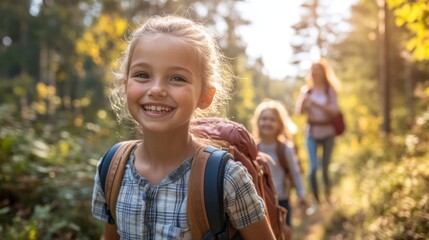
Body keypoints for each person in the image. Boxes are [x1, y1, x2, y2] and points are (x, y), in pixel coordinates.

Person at [90, 15, 275, 240]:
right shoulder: (112, 168)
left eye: (177, 78)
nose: (157, 89)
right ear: (125, 84)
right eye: (142, 75)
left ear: (205, 96)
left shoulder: (227, 178)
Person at [251, 99, 307, 227]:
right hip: (259, 202)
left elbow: (295, 172)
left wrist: (301, 193)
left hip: (281, 200)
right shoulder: (253, 147)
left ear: (279, 124)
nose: (267, 122)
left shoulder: (285, 148)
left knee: (284, 232)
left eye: (272, 119)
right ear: (258, 122)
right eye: (264, 119)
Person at [296, 58, 341, 209]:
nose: (315, 73)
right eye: (313, 70)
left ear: (324, 72)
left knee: (325, 168)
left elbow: (334, 111)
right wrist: (303, 104)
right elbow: (300, 112)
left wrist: (315, 104)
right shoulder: (306, 90)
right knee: (313, 167)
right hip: (312, 133)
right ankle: (316, 200)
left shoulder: (330, 90)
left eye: (318, 70)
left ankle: (328, 196)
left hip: (328, 132)